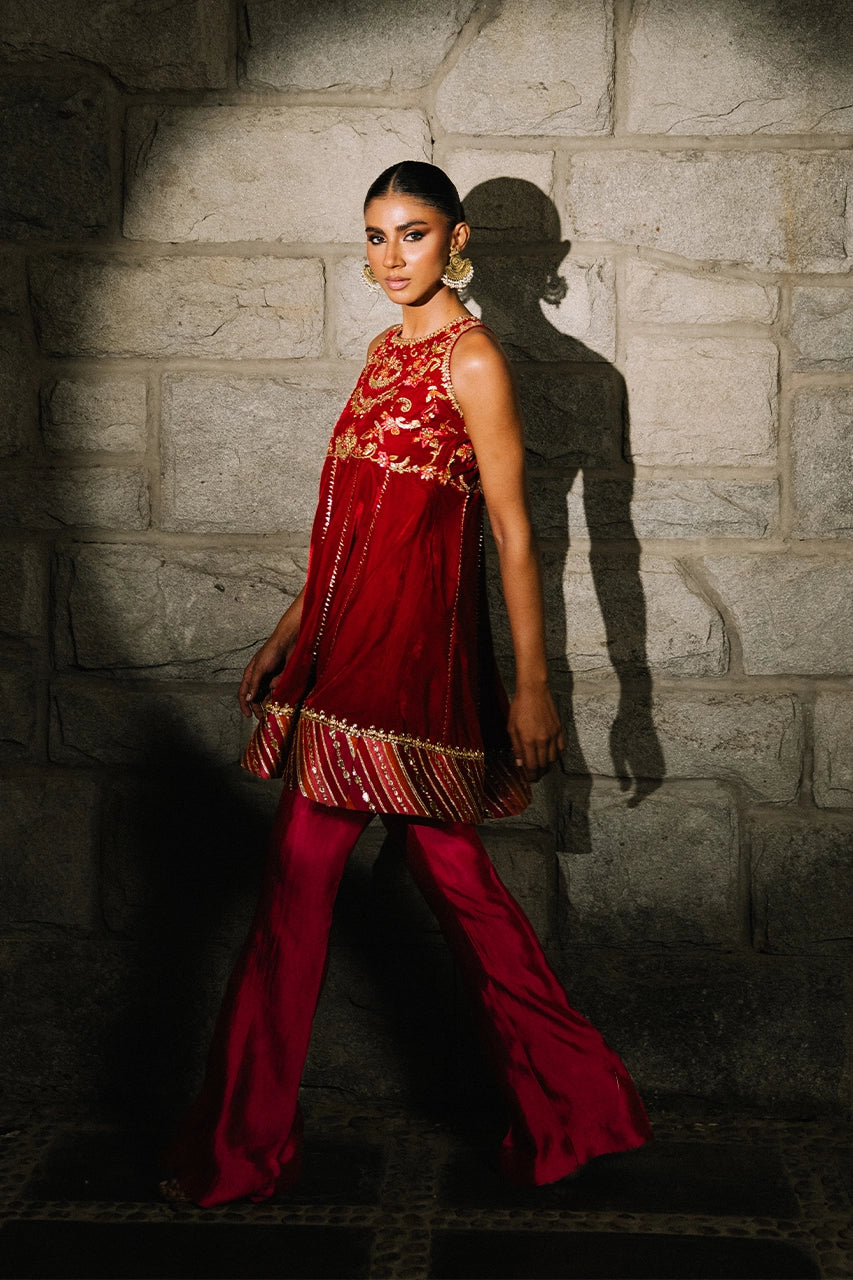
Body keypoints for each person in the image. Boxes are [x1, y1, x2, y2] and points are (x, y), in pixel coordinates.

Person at [160, 161, 651, 1207]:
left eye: (412, 234)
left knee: (308, 899)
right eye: (376, 235)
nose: (391, 257)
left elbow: (516, 532)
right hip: (343, 661)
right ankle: (582, 1111)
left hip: (412, 675)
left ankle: (240, 1151)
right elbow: (354, 520)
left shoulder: (473, 361)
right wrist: (291, 629)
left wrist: (531, 686)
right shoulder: (385, 353)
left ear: (456, 239)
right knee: (428, 894)